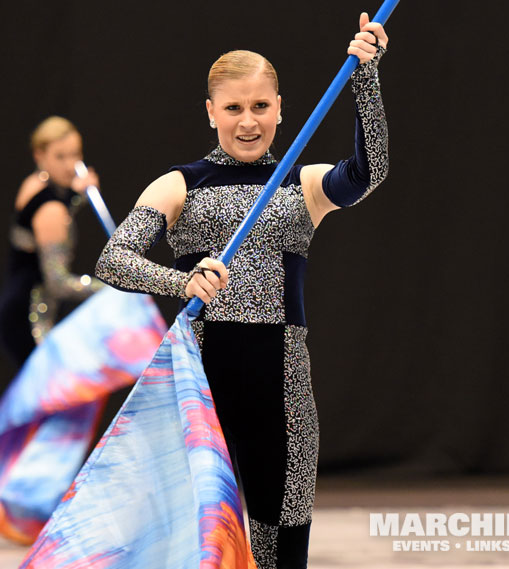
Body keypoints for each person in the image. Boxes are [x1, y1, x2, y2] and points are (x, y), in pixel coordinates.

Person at [95, 13, 389, 568]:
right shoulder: (178, 184)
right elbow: (115, 259)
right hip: (203, 398)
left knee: (283, 551)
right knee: (201, 548)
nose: (248, 121)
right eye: (233, 108)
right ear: (211, 112)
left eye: (260, 106)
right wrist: (181, 280)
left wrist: (366, 77)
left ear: (281, 107)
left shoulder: (302, 184)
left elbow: (367, 171)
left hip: (286, 400)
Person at [0, 116, 104, 366]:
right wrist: (110, 289)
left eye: (76, 155)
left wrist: (77, 196)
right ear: (39, 156)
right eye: (60, 157)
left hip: (18, 308)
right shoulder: (52, 209)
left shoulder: (33, 184)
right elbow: (58, 283)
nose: (70, 165)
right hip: (31, 319)